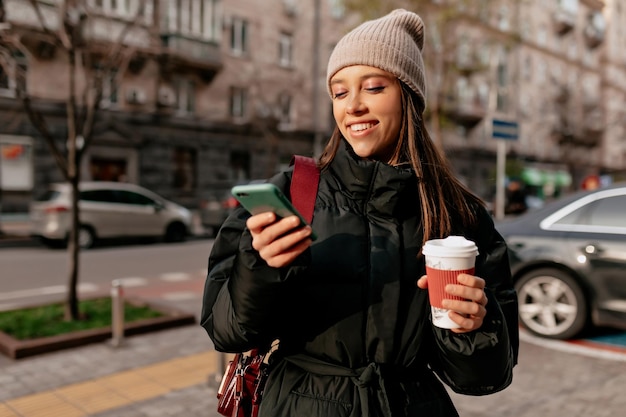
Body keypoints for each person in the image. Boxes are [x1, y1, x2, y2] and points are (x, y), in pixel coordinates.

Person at [201, 9, 518, 417]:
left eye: (372, 87)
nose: (353, 106)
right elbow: (226, 331)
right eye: (339, 92)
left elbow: (483, 378)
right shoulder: (293, 193)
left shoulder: (458, 214)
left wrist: (475, 326)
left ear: (409, 97)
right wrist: (260, 269)